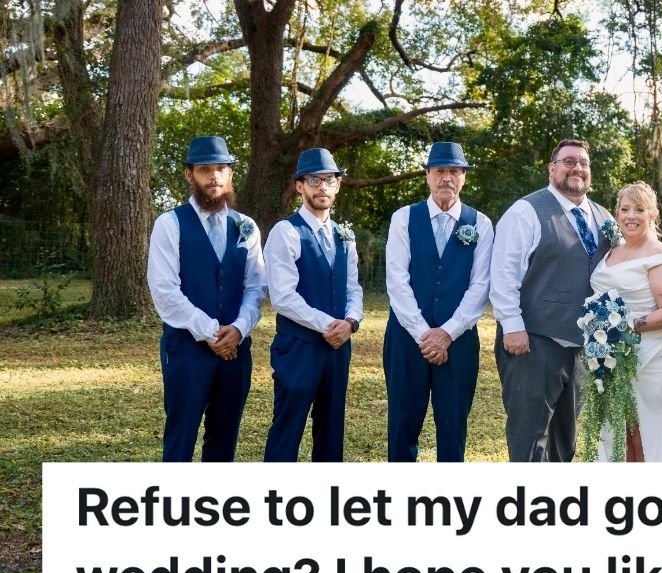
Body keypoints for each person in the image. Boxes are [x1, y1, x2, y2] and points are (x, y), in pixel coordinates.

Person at [490, 139, 615, 462]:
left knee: (565, 439)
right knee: (529, 436)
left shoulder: (603, 216)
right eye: (569, 161)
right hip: (533, 341)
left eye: (584, 163)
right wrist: (513, 327)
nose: (577, 168)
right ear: (552, 168)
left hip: (583, 345)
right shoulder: (526, 211)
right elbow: (504, 274)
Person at [147, 135, 266, 462]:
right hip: (186, 349)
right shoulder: (169, 224)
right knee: (180, 438)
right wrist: (213, 332)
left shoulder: (246, 226)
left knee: (224, 440)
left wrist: (239, 330)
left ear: (229, 174)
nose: (214, 177)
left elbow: (256, 287)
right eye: (204, 170)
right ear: (190, 175)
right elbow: (165, 291)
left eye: (221, 169)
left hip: (235, 351)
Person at [383, 142, 494, 462]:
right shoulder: (404, 218)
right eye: (440, 171)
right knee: (402, 424)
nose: (447, 178)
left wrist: (447, 332)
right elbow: (397, 279)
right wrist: (423, 333)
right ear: (428, 175)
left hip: (459, 342)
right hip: (406, 340)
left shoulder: (481, 224)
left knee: (453, 427)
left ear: (464, 178)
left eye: (454, 171)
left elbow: (480, 285)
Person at [262, 148, 364, 462]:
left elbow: (353, 288)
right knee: (287, 428)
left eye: (329, 180)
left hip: (338, 348)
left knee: (331, 430)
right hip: (298, 348)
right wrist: (327, 325)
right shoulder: (286, 231)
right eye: (313, 180)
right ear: (300, 186)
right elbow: (283, 296)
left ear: (338, 184)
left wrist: (351, 322)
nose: (322, 187)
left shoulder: (345, 236)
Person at [589, 181, 662, 462]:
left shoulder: (659, 254)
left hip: (656, 351)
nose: (631, 215)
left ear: (652, 215)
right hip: (614, 352)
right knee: (620, 428)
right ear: (617, 214)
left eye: (639, 209)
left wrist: (624, 325)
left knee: (648, 428)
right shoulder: (613, 249)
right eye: (624, 209)